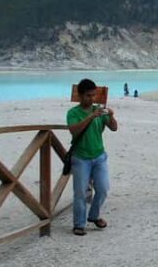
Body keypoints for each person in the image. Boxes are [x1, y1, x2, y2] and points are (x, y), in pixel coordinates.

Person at [67, 78, 118, 236]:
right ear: (80, 96)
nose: (91, 99)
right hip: (81, 157)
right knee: (81, 192)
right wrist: (90, 116)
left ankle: (94, 215)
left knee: (103, 189)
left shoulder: (99, 110)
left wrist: (111, 115)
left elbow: (114, 128)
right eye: (88, 96)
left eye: (93, 95)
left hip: (99, 156)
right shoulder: (73, 113)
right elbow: (74, 130)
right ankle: (79, 224)